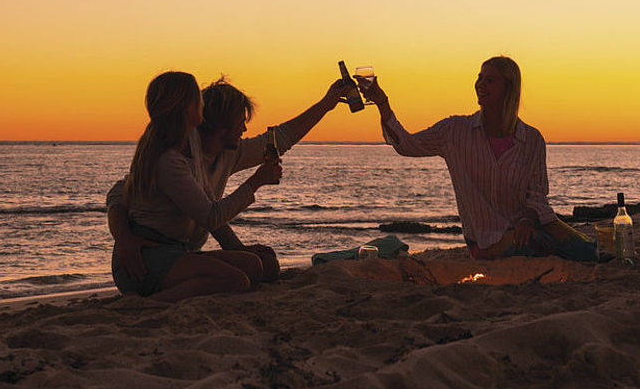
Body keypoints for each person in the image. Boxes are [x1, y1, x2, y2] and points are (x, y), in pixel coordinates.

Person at [364, 56, 597, 261]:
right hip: (487, 240)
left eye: (490, 80)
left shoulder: (532, 139)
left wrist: (526, 221)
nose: (480, 85)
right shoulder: (455, 130)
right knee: (542, 246)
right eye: (480, 78)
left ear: (509, 87)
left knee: (586, 250)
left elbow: (537, 195)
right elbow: (407, 145)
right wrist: (382, 102)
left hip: (530, 226)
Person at [164, 75, 358, 283]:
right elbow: (210, 215)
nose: (245, 129)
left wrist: (327, 103)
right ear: (223, 126)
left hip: (188, 252)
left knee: (268, 266)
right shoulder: (180, 156)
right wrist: (255, 182)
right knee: (246, 273)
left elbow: (283, 137)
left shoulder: (228, 152)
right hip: (163, 255)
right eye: (241, 122)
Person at [104, 71, 277, 301]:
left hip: (174, 251)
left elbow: (205, 205)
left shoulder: (191, 146)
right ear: (189, 107)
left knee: (257, 266)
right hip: (145, 257)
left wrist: (237, 248)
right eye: (199, 100)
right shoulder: (168, 159)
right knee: (236, 281)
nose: (203, 105)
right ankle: (147, 304)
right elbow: (210, 216)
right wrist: (255, 182)